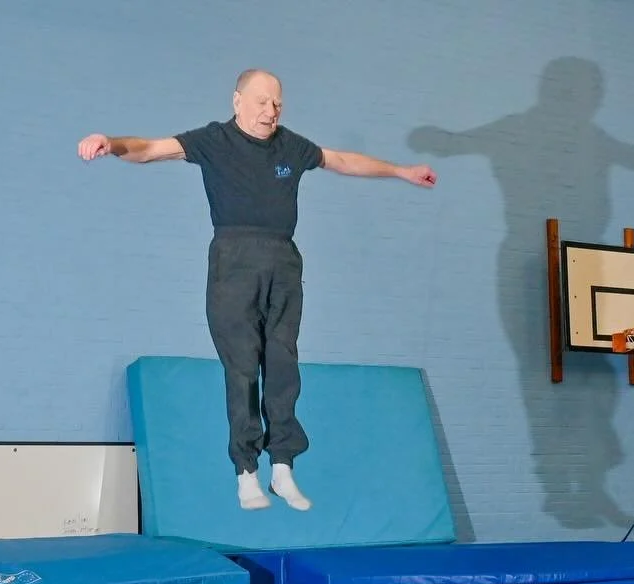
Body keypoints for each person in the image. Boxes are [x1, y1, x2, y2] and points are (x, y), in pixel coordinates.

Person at [78, 68, 437, 511]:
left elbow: (343, 161)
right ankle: (247, 471)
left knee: (283, 361)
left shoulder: (291, 146)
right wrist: (110, 143)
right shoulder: (213, 141)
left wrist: (401, 171)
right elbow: (150, 149)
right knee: (243, 367)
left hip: (283, 260)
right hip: (234, 259)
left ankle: (283, 466)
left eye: (277, 104)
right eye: (263, 102)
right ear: (237, 101)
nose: (271, 112)